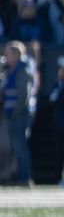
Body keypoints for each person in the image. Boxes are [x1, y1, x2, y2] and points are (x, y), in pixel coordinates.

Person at [1, 41, 37, 187]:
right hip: (11, 114)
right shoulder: (10, 70)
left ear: (16, 55)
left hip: (20, 115)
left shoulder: (23, 69)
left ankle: (25, 178)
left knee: (21, 147)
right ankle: (22, 177)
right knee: (17, 147)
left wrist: (15, 112)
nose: (5, 57)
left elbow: (24, 95)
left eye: (8, 54)